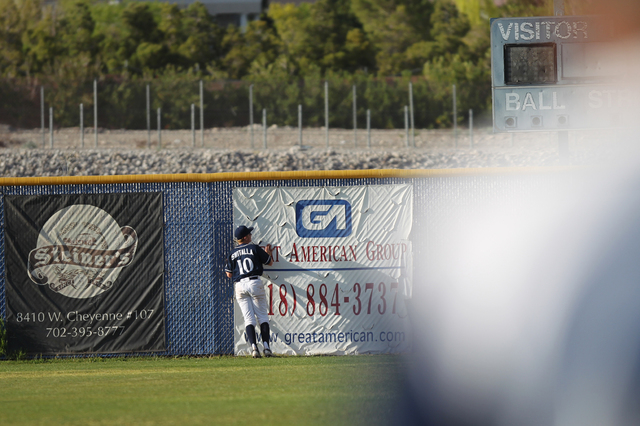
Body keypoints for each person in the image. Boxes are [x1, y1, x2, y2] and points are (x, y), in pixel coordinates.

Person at [225, 225, 274, 358]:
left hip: (240, 285)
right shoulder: (254, 248)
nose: (251, 236)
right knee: (263, 317)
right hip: (254, 282)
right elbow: (269, 262)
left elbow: (229, 274)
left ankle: (254, 349)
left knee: (249, 319)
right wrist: (268, 253)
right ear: (245, 237)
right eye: (249, 234)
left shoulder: (232, 253)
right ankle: (267, 348)